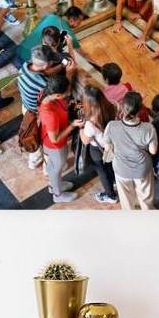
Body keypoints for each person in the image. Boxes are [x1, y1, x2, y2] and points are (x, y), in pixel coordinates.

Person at [104, 92, 158, 210]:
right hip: (142, 169)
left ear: (122, 107)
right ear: (140, 110)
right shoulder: (148, 128)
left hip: (121, 168)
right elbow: (153, 151)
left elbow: (107, 147)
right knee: (146, 198)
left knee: (126, 200)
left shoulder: (112, 126)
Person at [38, 74, 81, 203]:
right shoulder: (50, 115)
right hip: (55, 146)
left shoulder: (44, 93)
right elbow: (55, 139)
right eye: (66, 93)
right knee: (57, 168)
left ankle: (54, 185)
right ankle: (57, 195)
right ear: (57, 95)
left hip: (46, 139)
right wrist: (72, 125)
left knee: (52, 167)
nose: (67, 94)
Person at [17, 45, 56, 168]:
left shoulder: (24, 67)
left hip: (26, 107)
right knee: (38, 138)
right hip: (37, 115)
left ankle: (34, 160)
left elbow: (43, 72)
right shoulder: (43, 83)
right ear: (45, 65)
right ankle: (36, 161)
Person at [79, 85, 119, 204]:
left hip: (98, 150)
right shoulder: (113, 105)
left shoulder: (91, 123)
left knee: (102, 172)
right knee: (111, 165)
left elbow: (85, 140)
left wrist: (81, 130)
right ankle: (116, 182)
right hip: (112, 144)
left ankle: (111, 196)